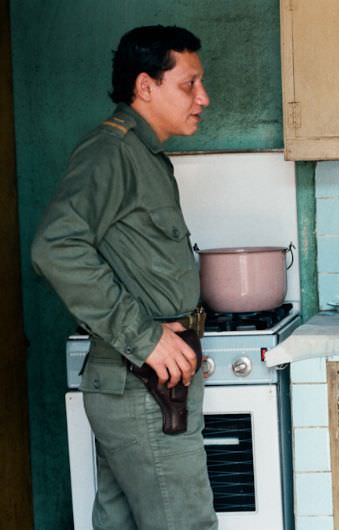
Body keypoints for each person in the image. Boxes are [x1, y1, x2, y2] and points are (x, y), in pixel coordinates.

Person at [31, 25, 216, 529]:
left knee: (121, 522)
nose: (203, 97)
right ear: (145, 86)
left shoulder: (144, 156)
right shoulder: (110, 152)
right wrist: (147, 337)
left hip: (145, 382)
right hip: (142, 380)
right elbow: (55, 248)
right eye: (189, 84)